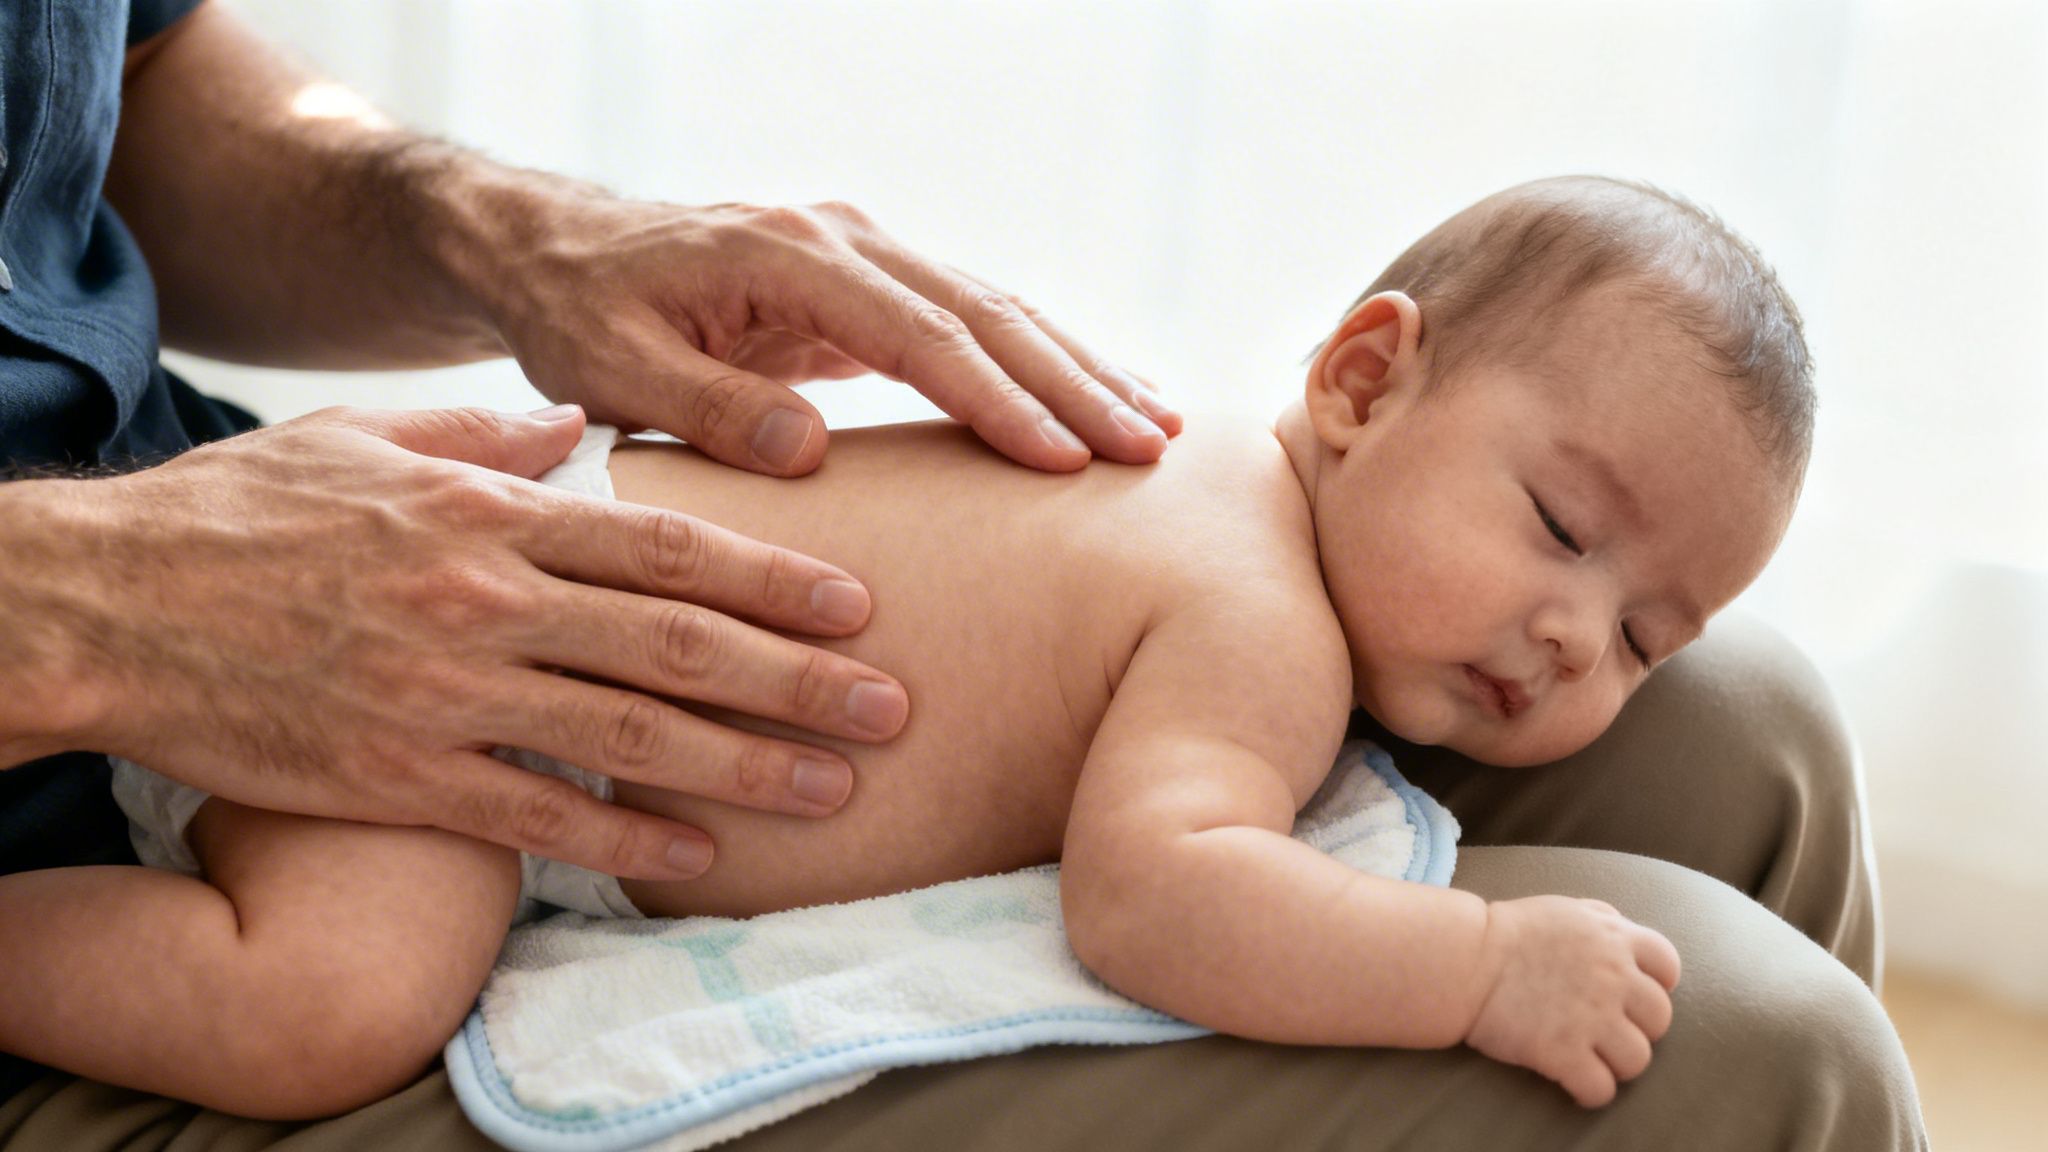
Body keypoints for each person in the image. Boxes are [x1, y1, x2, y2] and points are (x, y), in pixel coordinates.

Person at [0, 3, 1925, 1150]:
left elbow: (120, 77)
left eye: (1645, 626)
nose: (1580, 637)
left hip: (358, 559)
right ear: (1356, 381)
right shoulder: (1249, 621)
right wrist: (1478, 967)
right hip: (437, 743)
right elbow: (1160, 898)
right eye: (1564, 533)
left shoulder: (1212, 494)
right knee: (321, 999)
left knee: (1753, 744)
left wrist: (489, 221)